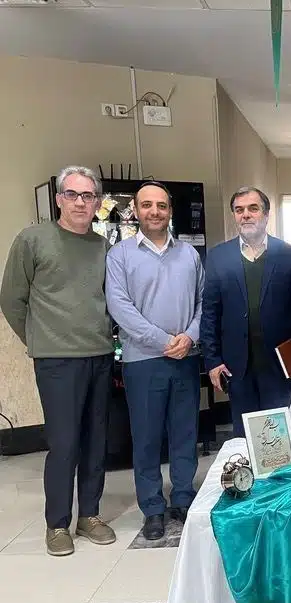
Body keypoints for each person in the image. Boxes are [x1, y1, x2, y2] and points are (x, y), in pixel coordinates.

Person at [0, 165, 116, 556]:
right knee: (64, 443)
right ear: (59, 199)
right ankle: (58, 524)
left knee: (96, 440)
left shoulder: (102, 247)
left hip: (99, 354)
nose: (80, 202)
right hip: (56, 361)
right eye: (72, 194)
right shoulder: (33, 240)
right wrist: (37, 340)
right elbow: (11, 299)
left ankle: (90, 516)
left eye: (88, 196)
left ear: (97, 203)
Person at [105, 181, 204, 541]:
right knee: (146, 437)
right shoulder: (120, 256)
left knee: (185, 433)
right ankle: (152, 507)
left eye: (161, 205)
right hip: (143, 361)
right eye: (147, 205)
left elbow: (203, 303)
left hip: (186, 358)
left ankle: (183, 497)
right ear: (136, 210)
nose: (155, 211)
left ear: (170, 211)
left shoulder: (189, 255)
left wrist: (189, 336)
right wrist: (164, 341)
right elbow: (120, 308)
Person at [200, 187, 291, 437]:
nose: (246, 215)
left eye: (253, 208)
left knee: (276, 432)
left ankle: (277, 464)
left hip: (278, 361)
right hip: (235, 363)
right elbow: (209, 313)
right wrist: (213, 361)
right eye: (239, 210)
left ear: (266, 214)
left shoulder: (290, 255)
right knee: (243, 433)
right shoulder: (219, 257)